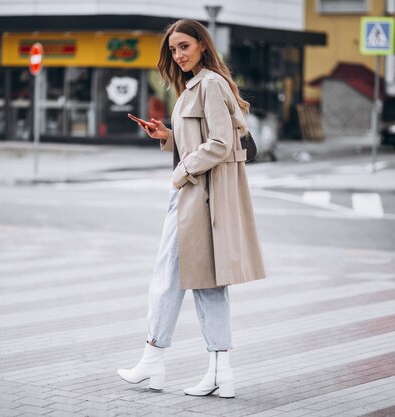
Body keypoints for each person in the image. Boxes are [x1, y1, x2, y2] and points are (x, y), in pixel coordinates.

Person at [118, 19, 266, 398]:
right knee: (207, 286)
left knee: (169, 277)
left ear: (202, 44)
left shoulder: (210, 84)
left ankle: (154, 359)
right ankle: (220, 372)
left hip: (197, 195)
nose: (178, 55)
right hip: (198, 194)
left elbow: (219, 143)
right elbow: (203, 140)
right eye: (173, 49)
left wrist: (181, 171)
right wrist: (169, 138)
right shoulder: (195, 86)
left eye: (184, 46)